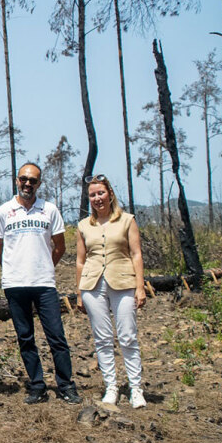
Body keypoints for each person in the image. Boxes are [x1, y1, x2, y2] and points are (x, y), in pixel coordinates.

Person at [0, 163, 82, 405]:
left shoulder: (49, 210)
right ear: (16, 180)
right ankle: (37, 385)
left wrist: (45, 266)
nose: (27, 184)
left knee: (57, 337)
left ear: (39, 184)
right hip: (15, 284)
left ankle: (65, 385)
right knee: (25, 337)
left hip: (44, 284)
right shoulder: (3, 212)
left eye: (33, 180)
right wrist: (13, 268)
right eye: (24, 179)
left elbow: (60, 246)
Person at [76, 175, 147, 408]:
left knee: (127, 335)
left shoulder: (127, 220)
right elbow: (80, 260)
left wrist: (140, 286)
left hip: (123, 282)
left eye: (100, 193)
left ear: (110, 194)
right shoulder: (84, 225)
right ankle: (111, 387)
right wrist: (78, 293)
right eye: (92, 195)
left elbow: (136, 254)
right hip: (92, 285)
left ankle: (136, 389)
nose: (97, 199)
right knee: (103, 338)